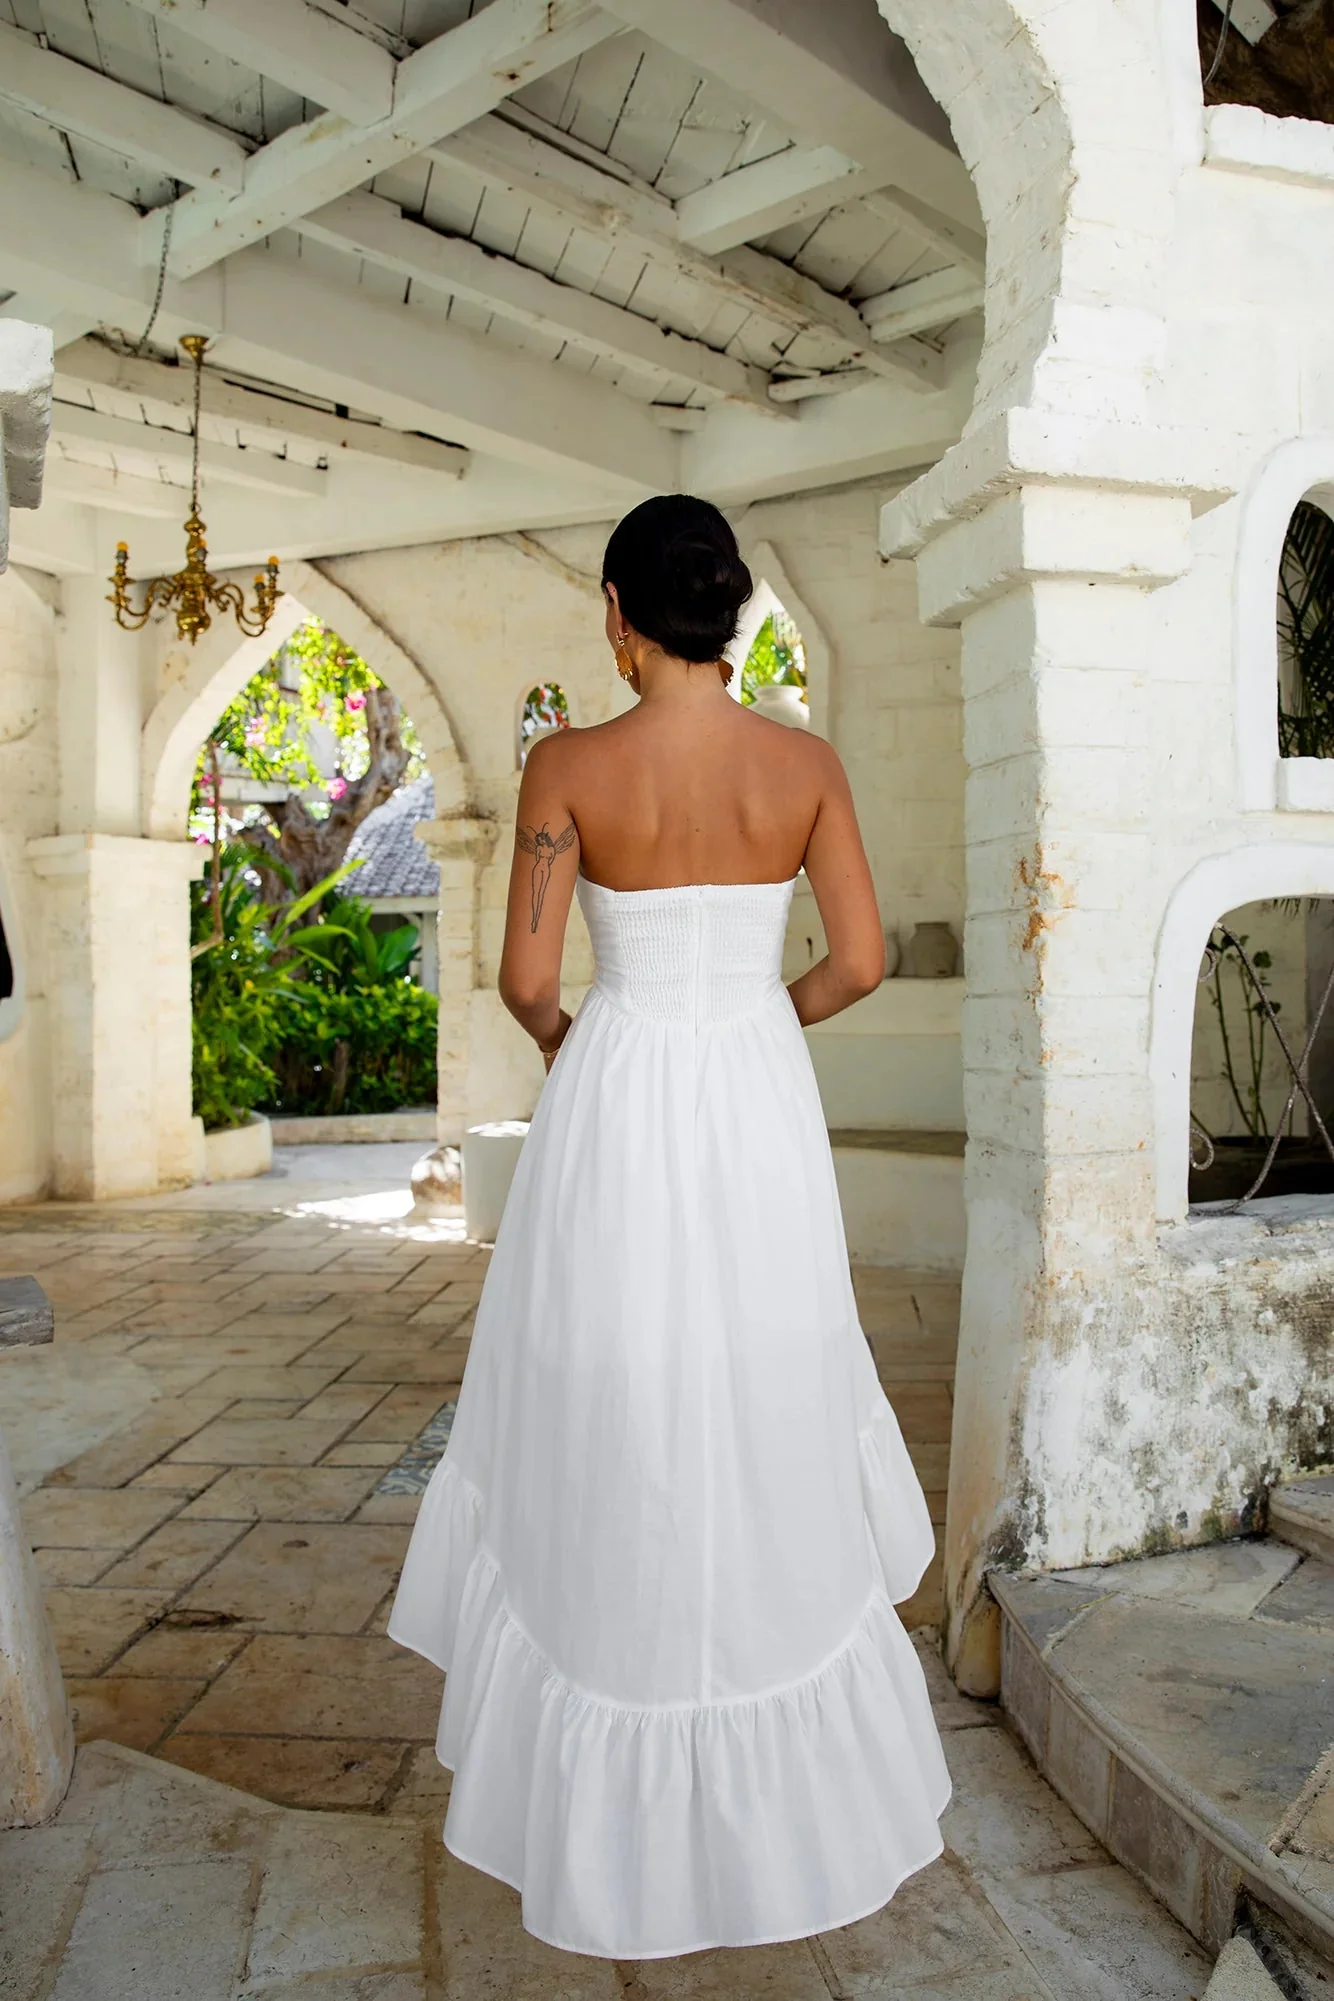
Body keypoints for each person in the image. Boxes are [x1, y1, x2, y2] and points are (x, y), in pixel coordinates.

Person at [389, 494, 950, 1960]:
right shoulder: (804, 763)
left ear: (619, 615)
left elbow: (520, 982)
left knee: (602, 1370)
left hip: (621, 1080)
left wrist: (586, 1031)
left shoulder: (565, 766)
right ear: (736, 611)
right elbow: (865, 960)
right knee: (766, 1364)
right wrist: (764, 1020)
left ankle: (611, 1675)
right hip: (751, 1088)